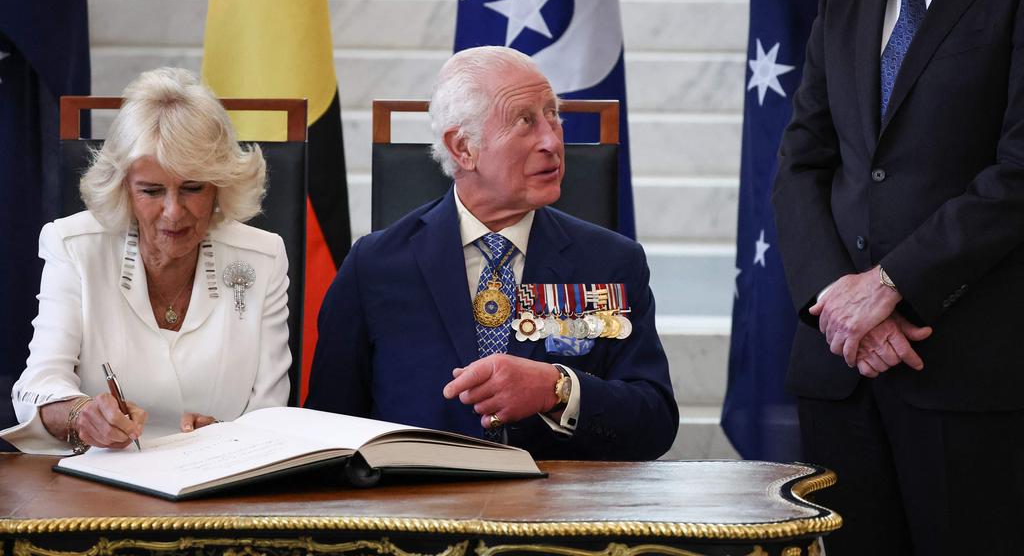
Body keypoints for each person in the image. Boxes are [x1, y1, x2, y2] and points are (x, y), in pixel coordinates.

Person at [771, 0, 1024, 552]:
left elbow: (1018, 172)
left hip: (966, 375)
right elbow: (800, 165)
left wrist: (891, 285)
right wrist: (837, 304)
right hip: (845, 376)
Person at [306, 46, 677, 459]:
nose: (552, 141)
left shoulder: (611, 262)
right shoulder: (374, 267)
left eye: (553, 114)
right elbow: (328, 429)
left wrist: (558, 389)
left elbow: (655, 424)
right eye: (525, 121)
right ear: (463, 148)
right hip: (419, 513)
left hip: (562, 512)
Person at [2, 68, 291, 454]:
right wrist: (79, 414)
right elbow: (36, 387)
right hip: (100, 488)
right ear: (124, 189)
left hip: (221, 487)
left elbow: (271, 414)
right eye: (152, 191)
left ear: (220, 185)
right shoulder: (73, 246)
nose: (173, 212)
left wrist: (229, 436)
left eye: (193, 188)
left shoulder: (263, 258)